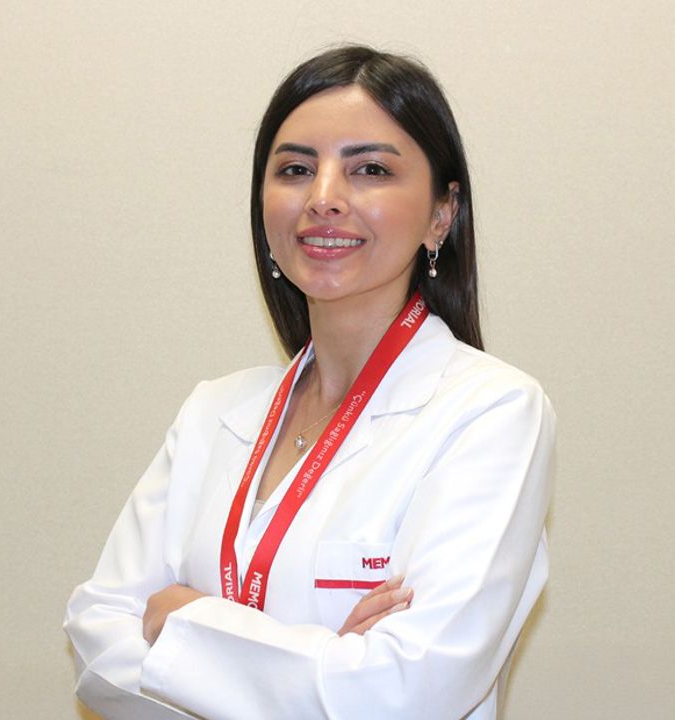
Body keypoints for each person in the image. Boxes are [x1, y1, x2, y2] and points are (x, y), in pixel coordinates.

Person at [65, 45, 555, 720]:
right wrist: (329, 658)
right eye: (295, 169)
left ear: (441, 214)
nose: (324, 198)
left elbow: (407, 694)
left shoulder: (492, 412)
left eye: (371, 169)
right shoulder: (214, 411)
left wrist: (182, 619)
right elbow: (96, 648)